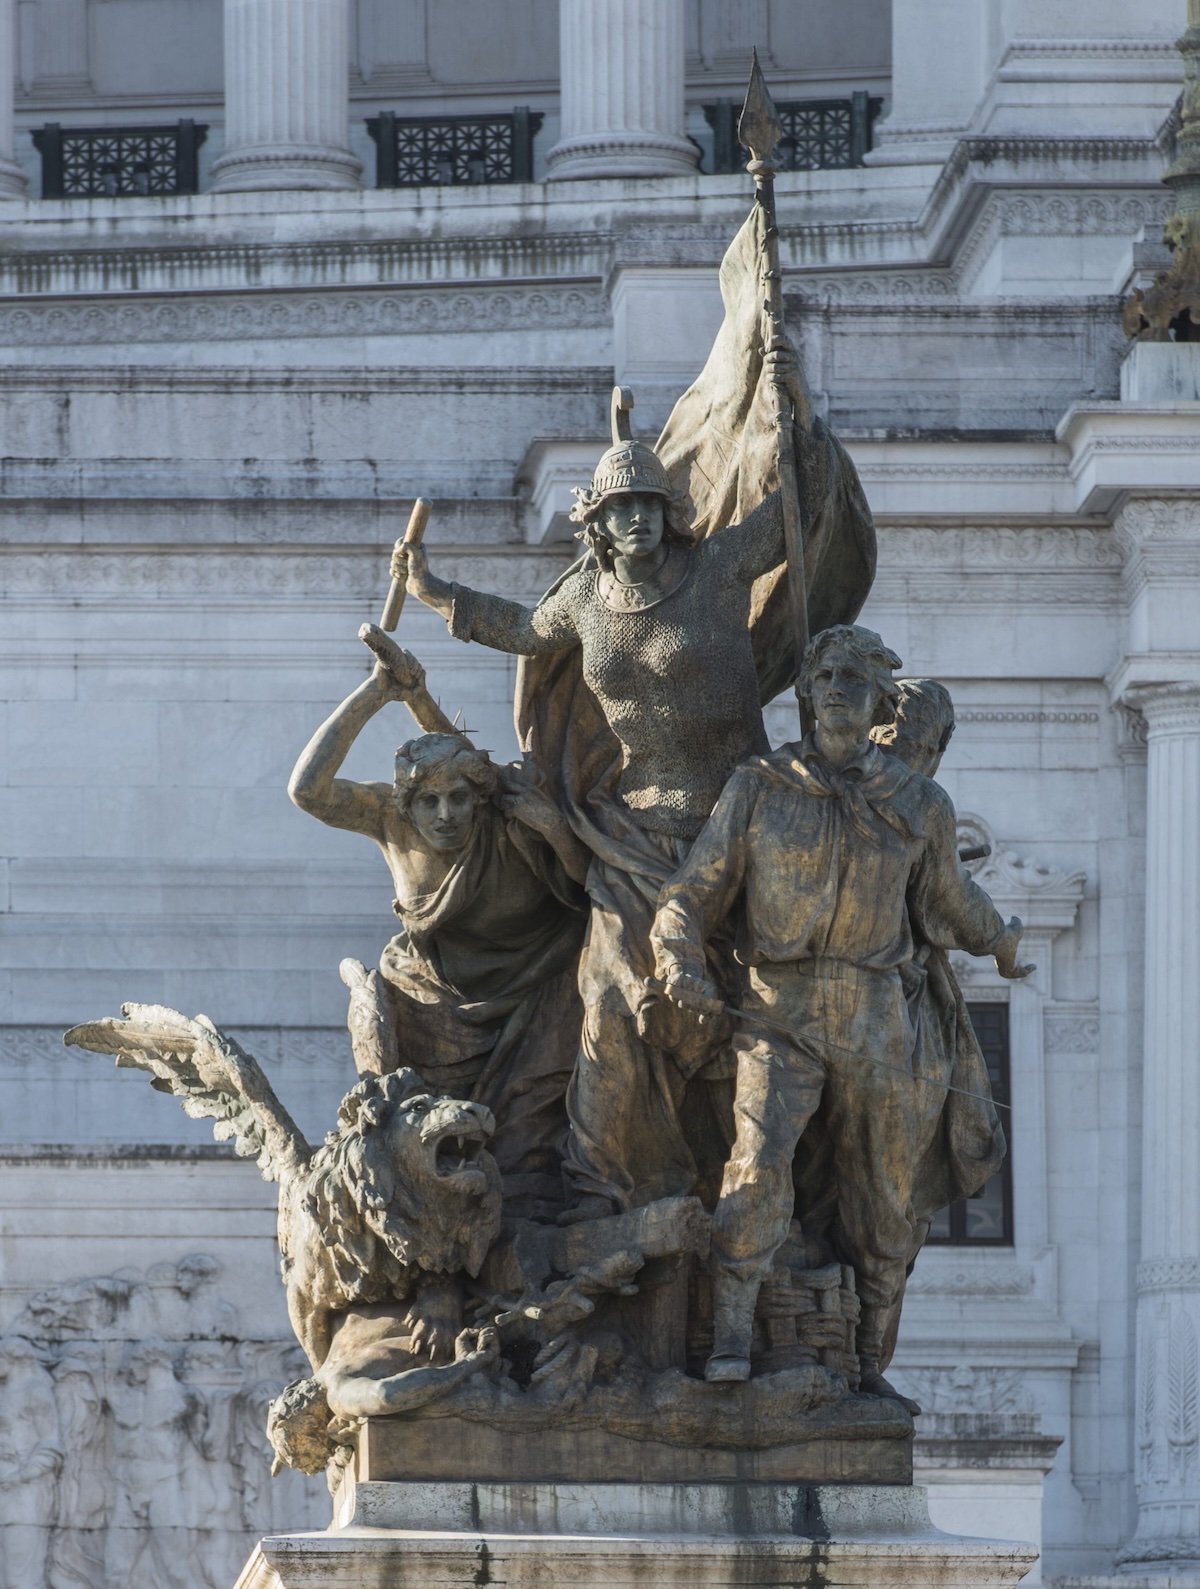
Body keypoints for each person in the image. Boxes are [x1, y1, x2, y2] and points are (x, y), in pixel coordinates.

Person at [401, 366, 875, 1221]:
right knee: (611, 998)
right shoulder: (585, 599)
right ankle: (594, 1184)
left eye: (650, 505)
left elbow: (796, 514)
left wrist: (796, 404)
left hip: (739, 819)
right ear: (599, 524)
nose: (637, 519)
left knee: (772, 999)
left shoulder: (722, 565)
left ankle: (786, 1184)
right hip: (637, 831)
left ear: (668, 513)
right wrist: (439, 595)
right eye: (621, 509)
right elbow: (519, 628)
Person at [649, 625, 1033, 1394]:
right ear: (803, 694)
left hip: (874, 1018)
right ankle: (729, 1335)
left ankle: (865, 1360)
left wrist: (1000, 941)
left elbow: (948, 899)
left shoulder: (919, 803)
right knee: (754, 1168)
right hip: (777, 1009)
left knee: (888, 1197)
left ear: (880, 701)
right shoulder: (759, 786)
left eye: (852, 679)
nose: (833, 688)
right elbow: (692, 894)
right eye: (822, 675)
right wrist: (676, 956)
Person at [289, 631, 587, 1219]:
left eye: (458, 799)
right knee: (428, 1158)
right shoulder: (388, 820)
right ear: (407, 805)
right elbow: (307, 791)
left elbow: (585, 886)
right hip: (431, 1007)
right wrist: (378, 692)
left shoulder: (511, 824)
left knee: (526, 1163)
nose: (445, 814)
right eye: (428, 802)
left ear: (479, 799)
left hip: (536, 998)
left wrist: (553, 828)